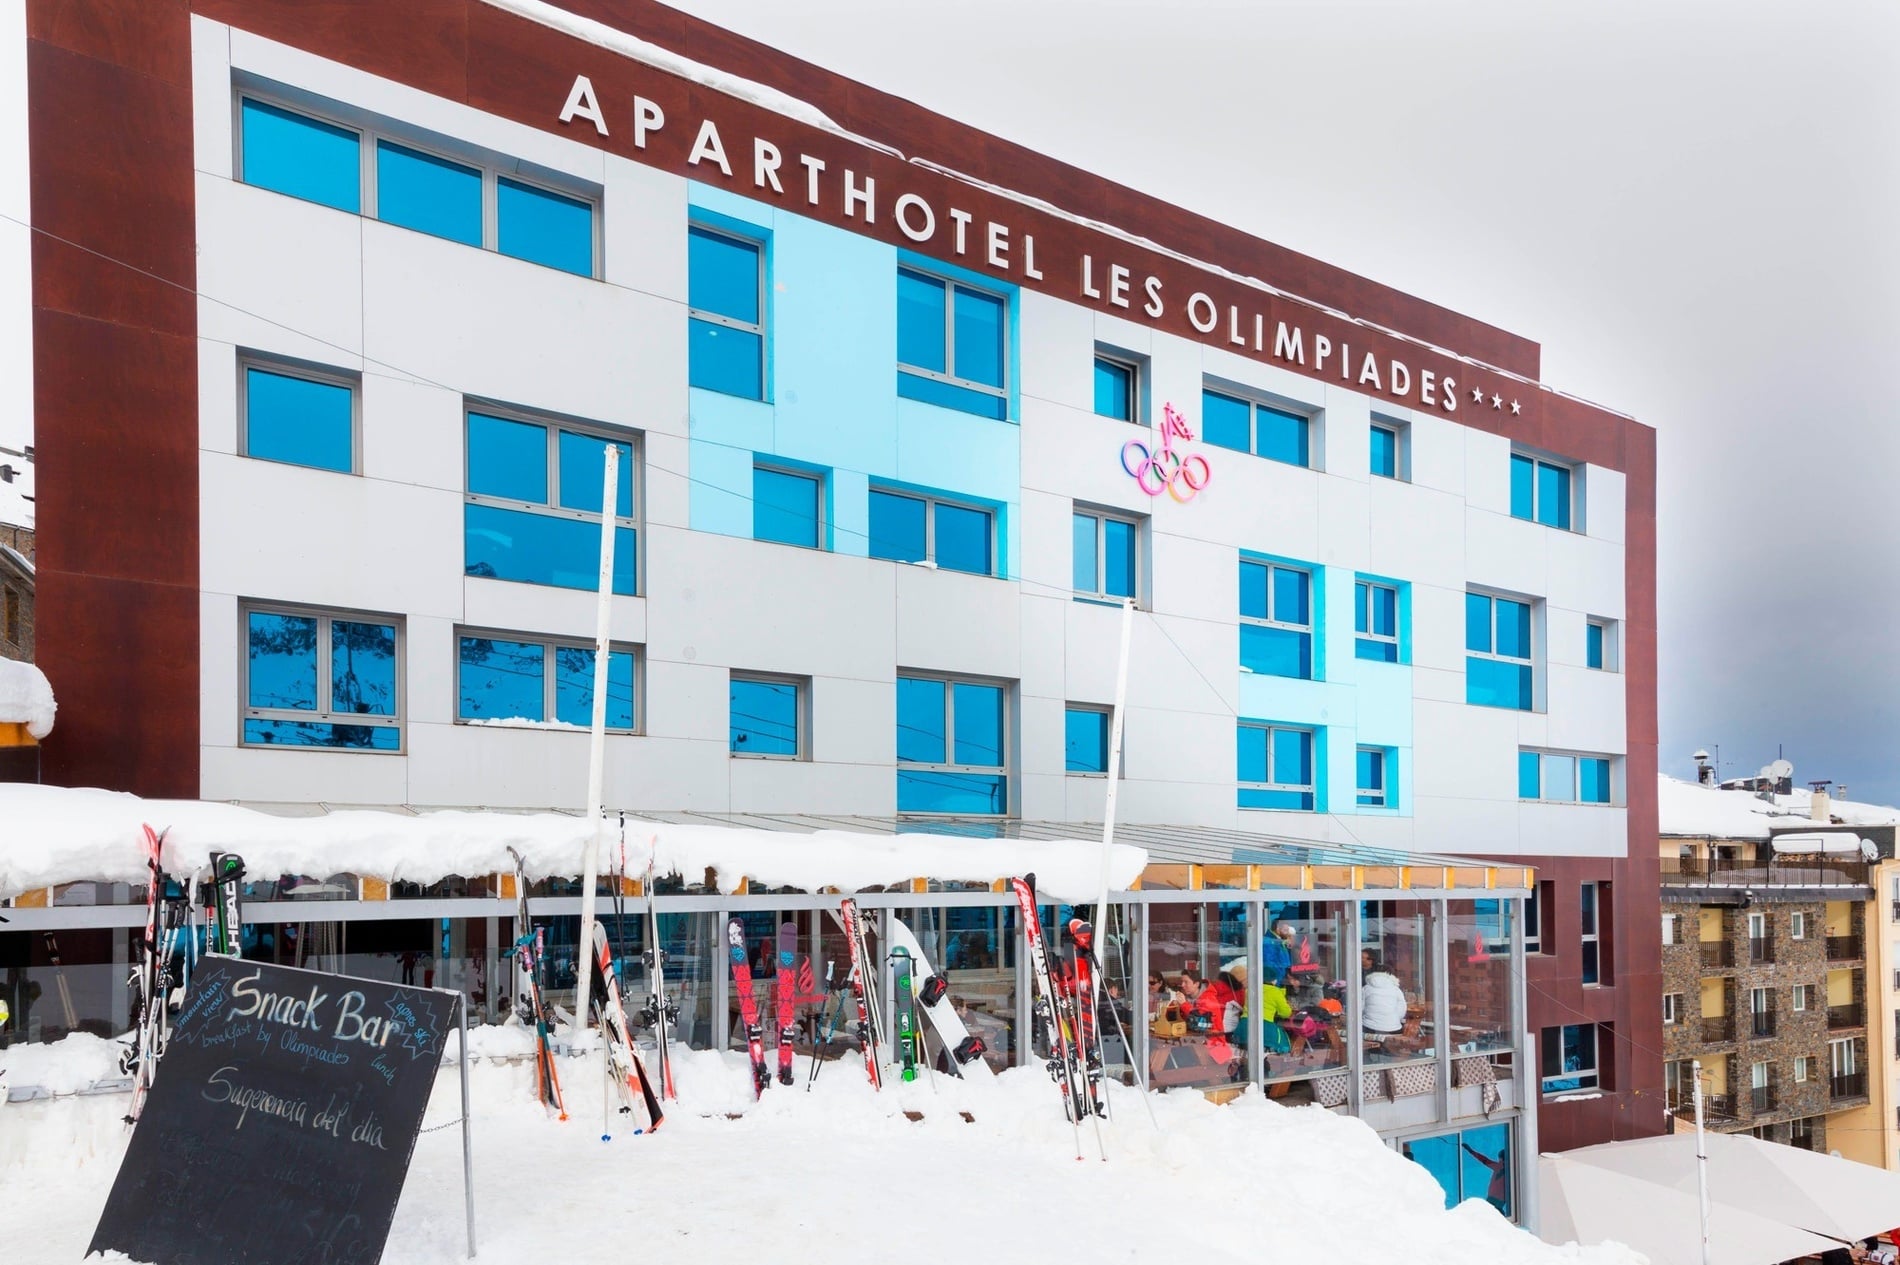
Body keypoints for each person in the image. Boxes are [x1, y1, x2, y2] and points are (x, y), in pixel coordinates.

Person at [1361, 958, 1407, 1035]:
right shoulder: (1396, 989)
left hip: (1369, 1026)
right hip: (1393, 1027)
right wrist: (1393, 1019)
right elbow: (1402, 1009)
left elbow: (1360, 1008)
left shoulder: (1366, 988)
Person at [1461, 1142, 1509, 1213]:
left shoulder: (1498, 1166)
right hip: (1500, 1200)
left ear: (1500, 1158)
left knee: (1490, 1213)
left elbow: (1483, 1159)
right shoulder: (1510, 1169)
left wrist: (1470, 1151)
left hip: (1493, 1197)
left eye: (1499, 1159)